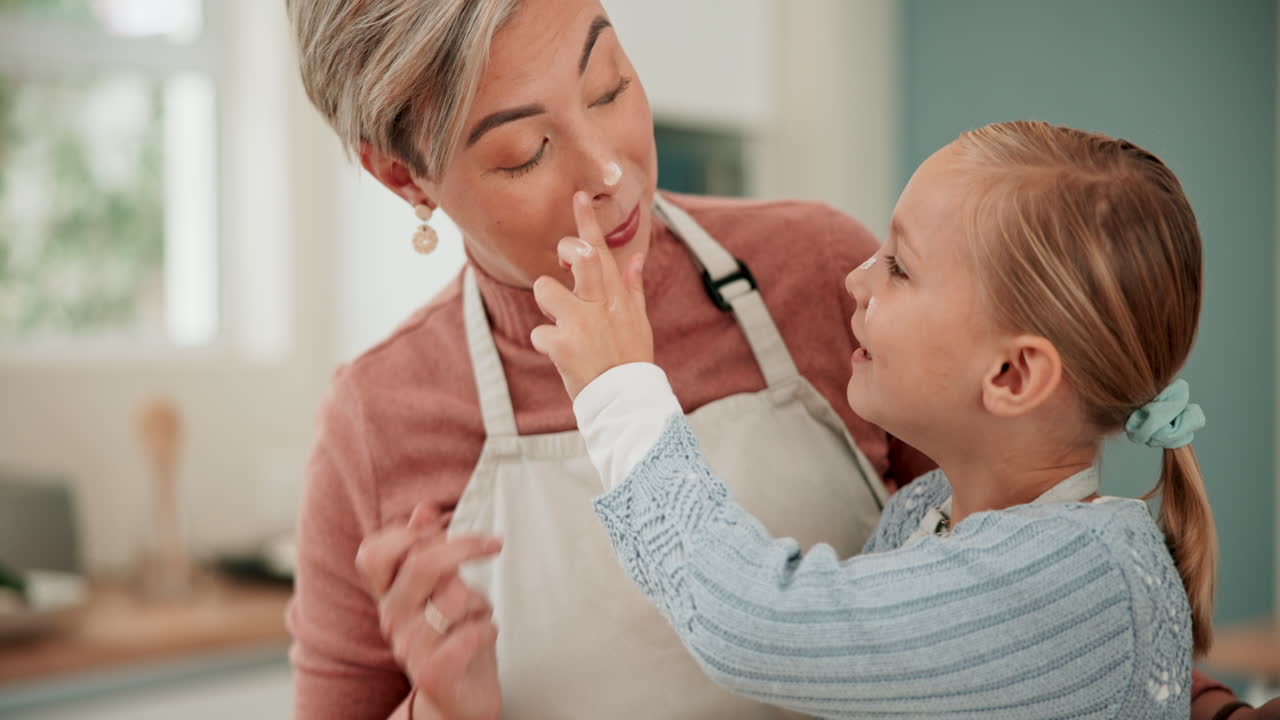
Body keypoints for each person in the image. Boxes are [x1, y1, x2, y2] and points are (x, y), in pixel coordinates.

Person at [282, 0, 1248, 717]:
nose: (611, 172)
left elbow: (1044, 624)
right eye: (528, 150)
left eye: (611, 84)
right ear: (402, 174)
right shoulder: (379, 418)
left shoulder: (823, 280)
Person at [534, 122, 1219, 718]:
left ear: (1012, 375)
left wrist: (619, 393)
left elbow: (754, 622)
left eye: (899, 268)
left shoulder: (1080, 580)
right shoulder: (926, 511)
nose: (856, 279)